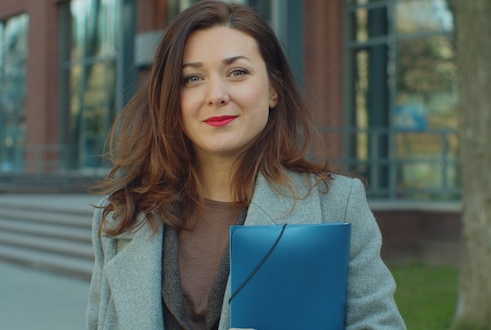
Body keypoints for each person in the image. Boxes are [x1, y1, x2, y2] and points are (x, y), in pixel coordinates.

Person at [86, 1, 406, 329]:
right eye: (193, 77)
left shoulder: (337, 205)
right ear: (171, 100)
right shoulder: (122, 215)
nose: (216, 94)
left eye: (237, 72)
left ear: (274, 89)